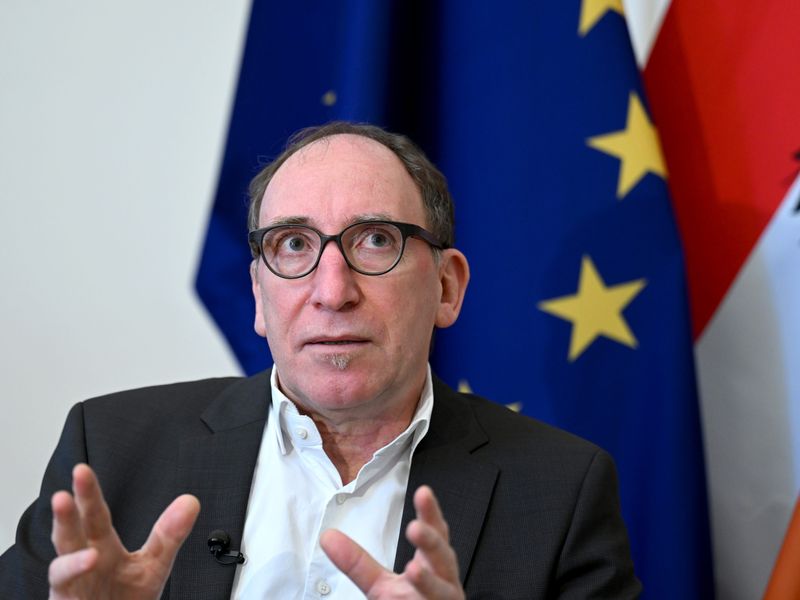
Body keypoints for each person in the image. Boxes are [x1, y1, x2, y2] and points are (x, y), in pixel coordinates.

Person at [0, 122, 641, 599]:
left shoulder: (561, 492)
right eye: (293, 244)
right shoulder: (109, 451)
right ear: (259, 295)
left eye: (376, 240)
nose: (332, 292)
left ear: (447, 287)